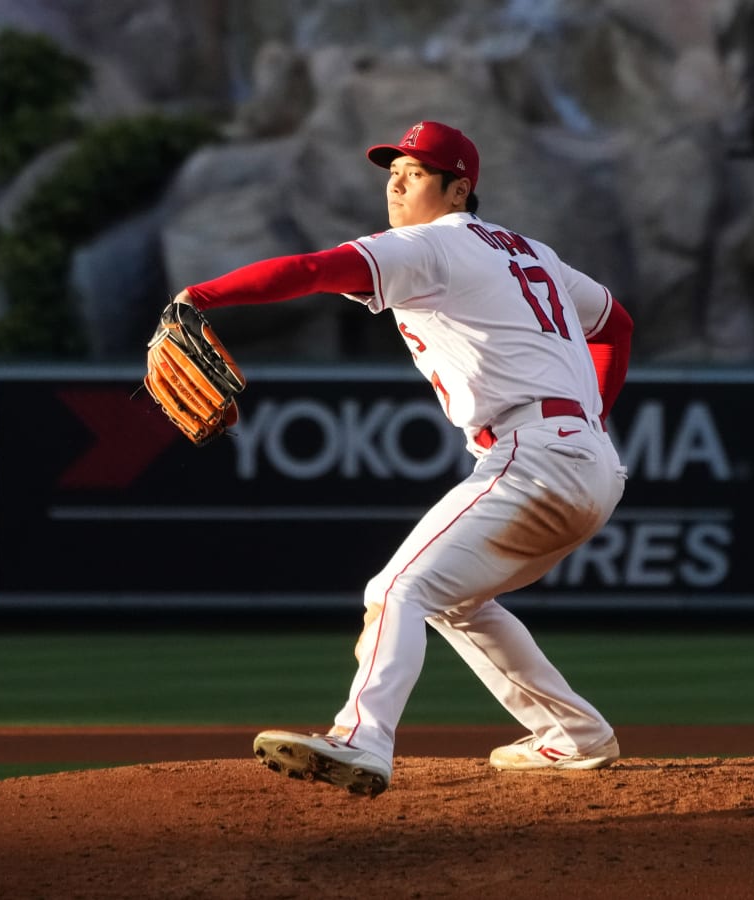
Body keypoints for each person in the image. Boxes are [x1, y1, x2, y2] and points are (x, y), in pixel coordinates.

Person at [175, 121, 634, 796]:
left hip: (534, 458)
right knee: (460, 601)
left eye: (415, 173)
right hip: (588, 462)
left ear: (458, 189)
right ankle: (575, 735)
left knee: (396, 589)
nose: (394, 182)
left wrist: (200, 297)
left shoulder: (429, 246)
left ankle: (362, 738)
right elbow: (616, 325)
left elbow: (312, 271)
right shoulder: (529, 252)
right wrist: (592, 414)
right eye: (391, 170)